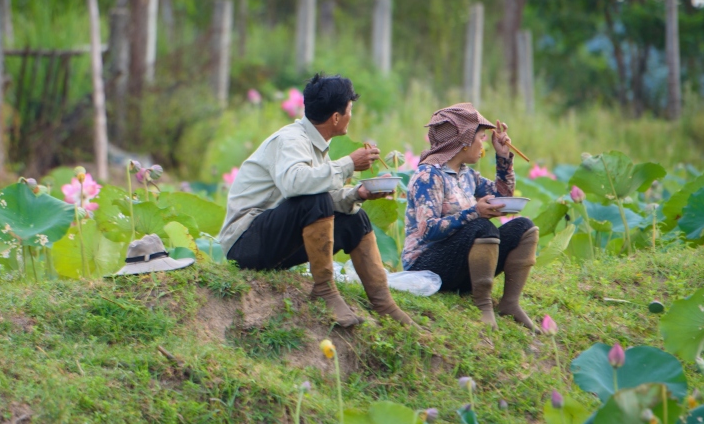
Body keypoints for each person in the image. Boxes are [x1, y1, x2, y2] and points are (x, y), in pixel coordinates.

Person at [218, 74, 414, 328]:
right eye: (350, 110)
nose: (351, 116)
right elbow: (295, 185)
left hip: (275, 243)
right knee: (316, 198)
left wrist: (358, 194)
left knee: (357, 218)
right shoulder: (290, 140)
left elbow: (318, 198)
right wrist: (348, 164)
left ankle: (384, 304)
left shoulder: (317, 145)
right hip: (245, 244)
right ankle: (324, 290)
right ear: (336, 117)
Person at [401, 103, 538, 328]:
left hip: (461, 267)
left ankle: (510, 303)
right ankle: (482, 305)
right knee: (481, 227)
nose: (484, 142)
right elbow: (428, 230)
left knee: (524, 227)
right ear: (464, 141)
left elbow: (502, 196)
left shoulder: (466, 174)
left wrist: (503, 158)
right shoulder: (428, 176)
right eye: (481, 137)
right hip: (425, 268)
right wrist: (474, 212)